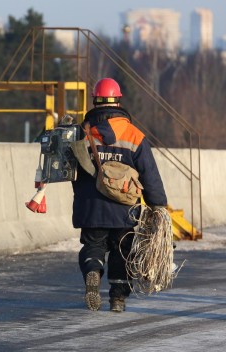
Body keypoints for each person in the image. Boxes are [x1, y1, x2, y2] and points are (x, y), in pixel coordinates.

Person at [72, 77, 168, 312]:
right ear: (118, 102)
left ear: (95, 101)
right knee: (122, 250)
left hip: (90, 204)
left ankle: (93, 272)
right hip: (124, 208)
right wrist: (158, 205)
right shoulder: (134, 135)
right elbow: (149, 173)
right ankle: (117, 298)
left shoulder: (82, 133)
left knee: (93, 245)